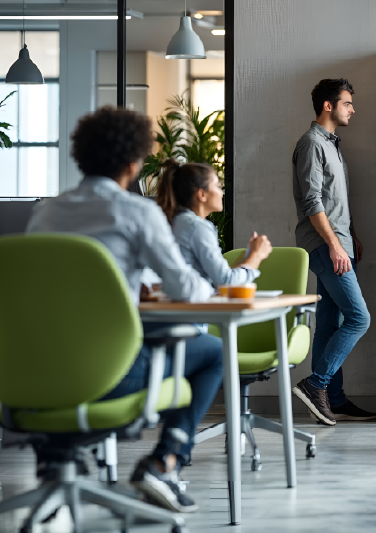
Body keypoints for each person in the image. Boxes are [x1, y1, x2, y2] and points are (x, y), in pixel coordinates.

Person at [25, 106, 222, 513]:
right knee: (213, 352)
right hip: (110, 375)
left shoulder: (45, 213)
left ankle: (57, 452)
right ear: (133, 165)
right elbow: (184, 286)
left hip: (36, 374)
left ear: (80, 157)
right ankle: (163, 462)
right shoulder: (137, 212)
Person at [289, 78, 376, 425]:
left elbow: (334, 202)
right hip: (326, 246)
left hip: (339, 242)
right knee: (359, 318)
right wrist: (334, 244)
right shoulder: (312, 144)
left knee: (330, 321)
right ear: (328, 105)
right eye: (347, 103)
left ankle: (334, 399)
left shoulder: (332, 144)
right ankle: (317, 384)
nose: (352, 109)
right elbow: (312, 202)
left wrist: (350, 235)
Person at [155, 160, 273, 311]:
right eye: (217, 185)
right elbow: (226, 283)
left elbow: (217, 279)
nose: (222, 191)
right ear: (202, 194)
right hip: (188, 319)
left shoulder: (172, 222)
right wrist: (256, 256)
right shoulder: (197, 227)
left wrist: (248, 257)